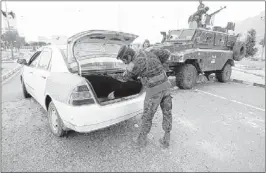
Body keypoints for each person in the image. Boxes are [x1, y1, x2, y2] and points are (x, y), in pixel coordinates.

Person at [117, 45, 173, 149]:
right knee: (167, 112)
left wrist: (113, 77)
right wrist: (159, 64)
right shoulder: (149, 50)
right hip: (166, 86)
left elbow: (124, 78)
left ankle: (141, 140)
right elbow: (166, 53)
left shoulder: (134, 64)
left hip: (154, 91)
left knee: (147, 116)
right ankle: (166, 138)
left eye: (124, 60)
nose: (125, 63)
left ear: (129, 56)